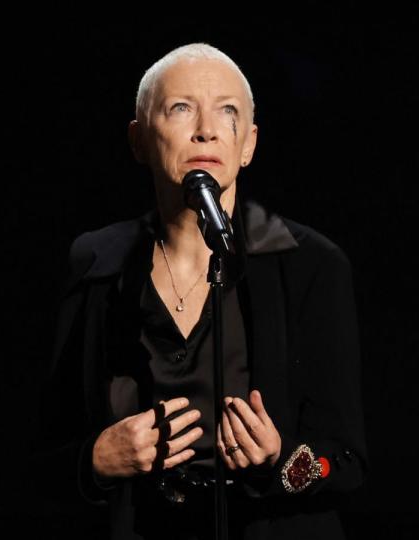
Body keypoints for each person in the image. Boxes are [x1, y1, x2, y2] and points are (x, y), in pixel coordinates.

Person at [36, 42, 367, 540]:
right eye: (181, 108)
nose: (206, 129)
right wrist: (96, 461)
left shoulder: (310, 265)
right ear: (139, 140)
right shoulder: (94, 265)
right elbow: (37, 455)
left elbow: (344, 461)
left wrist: (277, 461)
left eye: (227, 111)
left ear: (249, 143)